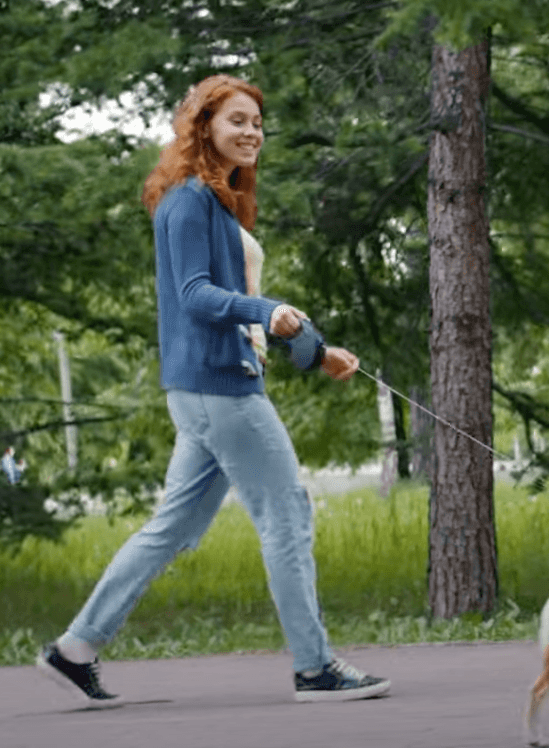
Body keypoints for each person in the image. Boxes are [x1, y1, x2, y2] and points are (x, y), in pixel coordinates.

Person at [36, 74, 390, 707]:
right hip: (222, 391)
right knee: (287, 516)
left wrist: (313, 351)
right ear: (203, 127)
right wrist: (268, 309)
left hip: (208, 386)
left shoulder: (215, 202)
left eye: (257, 122)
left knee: (170, 528)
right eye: (236, 120)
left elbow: (239, 308)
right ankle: (314, 669)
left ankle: (75, 649)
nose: (251, 131)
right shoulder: (188, 201)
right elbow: (196, 298)